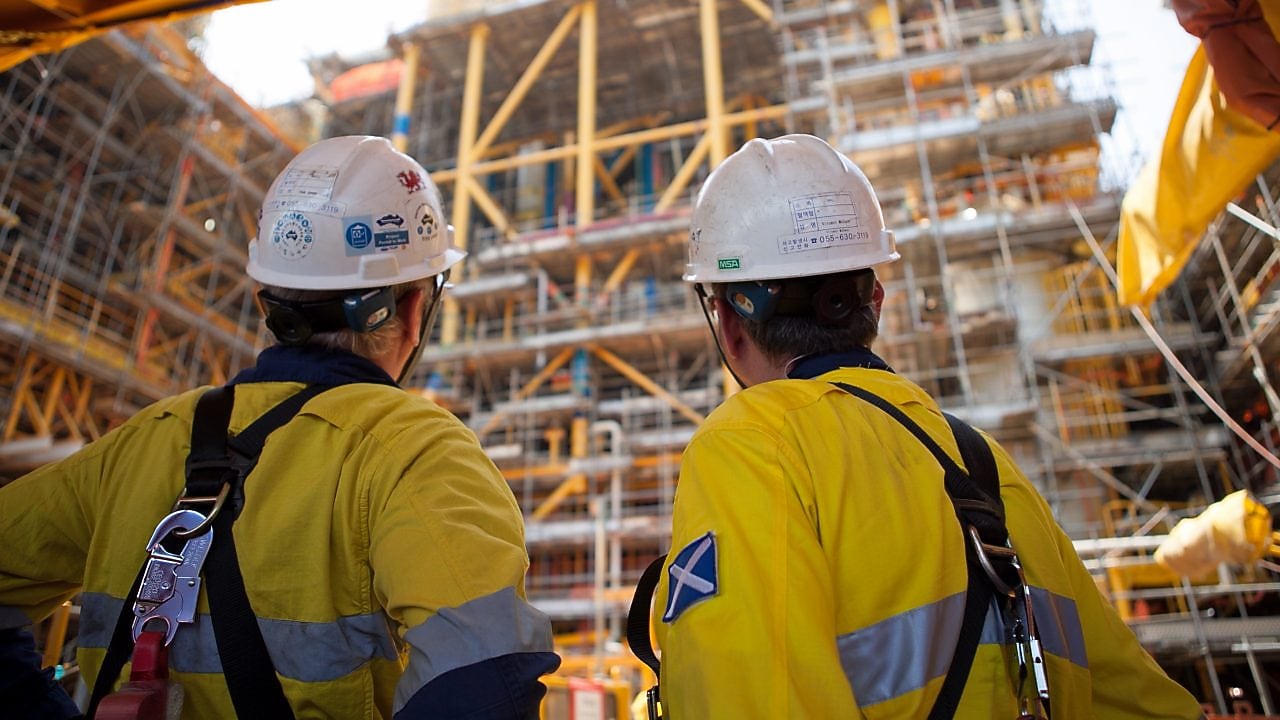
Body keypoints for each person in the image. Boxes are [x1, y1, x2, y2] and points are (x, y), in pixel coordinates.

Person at [0, 135, 559, 718]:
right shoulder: (414, 449)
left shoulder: (144, 440)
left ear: (272, 298)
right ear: (414, 308)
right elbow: (488, 679)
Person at [647, 134, 1204, 718]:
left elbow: (749, 697)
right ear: (876, 302)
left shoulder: (750, 445)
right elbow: (1143, 703)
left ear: (731, 328)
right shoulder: (984, 464)